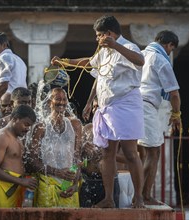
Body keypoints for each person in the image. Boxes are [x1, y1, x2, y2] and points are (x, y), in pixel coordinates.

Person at [51, 15, 145, 208]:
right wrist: (65, 62)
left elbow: (140, 60)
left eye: (99, 35)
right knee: (107, 153)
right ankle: (109, 198)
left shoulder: (128, 47)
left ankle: (140, 199)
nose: (97, 39)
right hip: (106, 107)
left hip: (126, 105)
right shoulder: (103, 52)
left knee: (130, 153)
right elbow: (91, 65)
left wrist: (115, 45)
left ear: (109, 34)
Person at [137, 30, 181, 205]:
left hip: (133, 104)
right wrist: (176, 114)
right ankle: (143, 195)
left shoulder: (139, 54)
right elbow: (174, 94)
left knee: (140, 153)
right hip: (146, 105)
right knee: (154, 152)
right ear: (168, 45)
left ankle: (140, 194)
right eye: (171, 48)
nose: (171, 52)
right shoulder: (161, 59)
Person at [27, 87, 82, 208]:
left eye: (64, 99)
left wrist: (74, 184)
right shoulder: (41, 127)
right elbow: (32, 160)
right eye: (57, 99)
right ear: (49, 103)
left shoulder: (75, 125)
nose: (61, 102)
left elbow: (76, 158)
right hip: (47, 185)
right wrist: (57, 172)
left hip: (68, 186)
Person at [0, 105, 38, 208]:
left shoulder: (17, 138)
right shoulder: (2, 137)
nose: (28, 129)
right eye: (26, 124)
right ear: (15, 119)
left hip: (15, 189)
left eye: (30, 126)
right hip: (1, 189)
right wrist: (21, 181)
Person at [79, 123, 120, 208]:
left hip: (110, 183)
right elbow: (78, 157)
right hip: (87, 180)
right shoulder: (87, 128)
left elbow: (130, 158)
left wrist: (106, 154)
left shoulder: (117, 128)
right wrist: (83, 150)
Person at [0, 32, 27, 108]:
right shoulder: (19, 59)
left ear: (4, 45)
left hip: (7, 105)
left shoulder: (3, 58)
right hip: (20, 104)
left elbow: (3, 86)